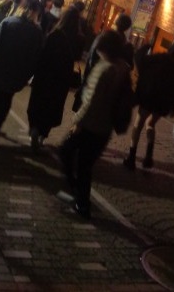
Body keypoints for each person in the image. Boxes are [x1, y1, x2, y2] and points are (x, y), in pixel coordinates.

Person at [57, 29, 128, 218]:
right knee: (84, 165)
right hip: (105, 127)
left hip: (90, 125)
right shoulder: (123, 68)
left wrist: (77, 122)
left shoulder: (103, 68)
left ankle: (81, 201)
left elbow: (91, 101)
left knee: (67, 153)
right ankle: (81, 200)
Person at [123, 33, 174, 170]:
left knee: (138, 124)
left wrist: (146, 46)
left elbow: (141, 60)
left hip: (149, 97)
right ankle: (149, 154)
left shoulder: (163, 58)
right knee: (150, 124)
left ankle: (131, 157)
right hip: (163, 103)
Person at [0, 0, 43, 147]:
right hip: (16, 74)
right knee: (5, 102)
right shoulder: (36, 32)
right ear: (36, 13)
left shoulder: (8, 22)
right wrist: (28, 75)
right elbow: (36, 57)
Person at [27, 5, 82, 150]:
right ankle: (42, 136)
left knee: (38, 102)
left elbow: (43, 53)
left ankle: (34, 129)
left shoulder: (54, 33)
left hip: (45, 75)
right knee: (53, 107)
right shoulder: (77, 39)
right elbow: (77, 58)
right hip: (61, 80)